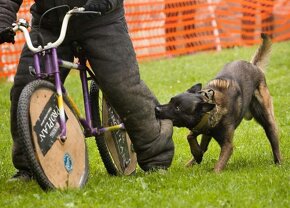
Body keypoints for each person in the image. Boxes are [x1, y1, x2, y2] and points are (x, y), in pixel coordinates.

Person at [0, 0, 174, 181]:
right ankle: (30, 167)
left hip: (101, 20)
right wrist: (2, 17)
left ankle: (157, 156)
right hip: (50, 23)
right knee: (25, 87)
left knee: (122, 85)